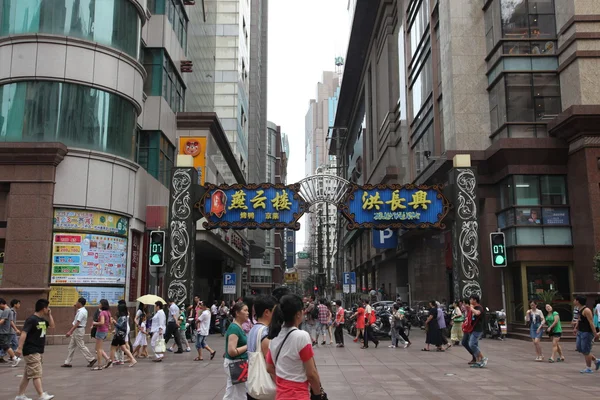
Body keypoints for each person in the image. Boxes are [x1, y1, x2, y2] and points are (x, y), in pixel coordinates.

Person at [266, 294, 322, 399]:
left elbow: (269, 367)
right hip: (298, 395)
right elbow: (311, 373)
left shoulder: (275, 336)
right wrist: (318, 394)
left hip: (280, 395)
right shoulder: (301, 336)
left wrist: (284, 382)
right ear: (297, 314)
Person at [14, 299, 55, 400]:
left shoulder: (42, 320)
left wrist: (49, 315)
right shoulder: (31, 319)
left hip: (38, 350)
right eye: (47, 308)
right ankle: (41, 395)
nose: (48, 309)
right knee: (36, 374)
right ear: (43, 308)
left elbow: (52, 326)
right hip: (31, 350)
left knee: (27, 375)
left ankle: (20, 395)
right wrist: (19, 348)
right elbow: (24, 333)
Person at [247, 295, 277, 400]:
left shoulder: (253, 330)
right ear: (267, 312)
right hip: (264, 389)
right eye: (275, 311)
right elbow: (270, 365)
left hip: (252, 386)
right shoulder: (265, 332)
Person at [223, 301, 249, 400]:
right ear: (237, 313)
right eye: (245, 310)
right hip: (236, 363)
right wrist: (248, 346)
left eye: (248, 310)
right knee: (241, 393)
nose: (248, 313)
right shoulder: (234, 328)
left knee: (232, 391)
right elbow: (232, 351)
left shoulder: (238, 326)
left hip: (237, 363)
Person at [61, 297, 96, 368]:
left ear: (80, 303)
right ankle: (68, 362)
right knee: (71, 346)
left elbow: (77, 323)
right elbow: (76, 319)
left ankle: (91, 359)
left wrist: (70, 331)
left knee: (81, 346)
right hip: (77, 330)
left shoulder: (81, 312)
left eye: (77, 302)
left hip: (78, 330)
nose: (76, 303)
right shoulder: (82, 310)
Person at [573, 295, 600, 373]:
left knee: (586, 350)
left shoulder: (586, 310)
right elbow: (579, 319)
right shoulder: (579, 309)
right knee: (580, 348)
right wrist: (576, 328)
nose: (574, 301)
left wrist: (595, 334)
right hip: (580, 331)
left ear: (578, 301)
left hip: (587, 332)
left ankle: (588, 368)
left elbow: (591, 323)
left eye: (575, 300)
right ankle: (596, 360)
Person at [462, 294, 487, 368]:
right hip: (472, 329)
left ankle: (483, 358)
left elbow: (477, 313)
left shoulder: (479, 307)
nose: (470, 301)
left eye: (471, 299)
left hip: (477, 329)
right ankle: (478, 360)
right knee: (474, 345)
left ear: (475, 300)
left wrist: (471, 308)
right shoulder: (473, 307)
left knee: (472, 344)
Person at [91, 299, 111, 370]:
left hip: (100, 331)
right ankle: (108, 359)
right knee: (98, 348)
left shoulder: (102, 313)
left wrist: (94, 323)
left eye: (100, 303)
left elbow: (102, 322)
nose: (98, 305)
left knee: (98, 349)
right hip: (105, 331)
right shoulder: (108, 312)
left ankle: (99, 365)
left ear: (102, 305)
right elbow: (110, 321)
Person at [0, 298, 20, 367]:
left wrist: (15, 329)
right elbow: (11, 322)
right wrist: (16, 329)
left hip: (3, 332)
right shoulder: (9, 310)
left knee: (6, 346)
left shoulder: (6, 310)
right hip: (5, 331)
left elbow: (2, 321)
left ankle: (15, 358)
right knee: (5, 345)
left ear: (2, 304)